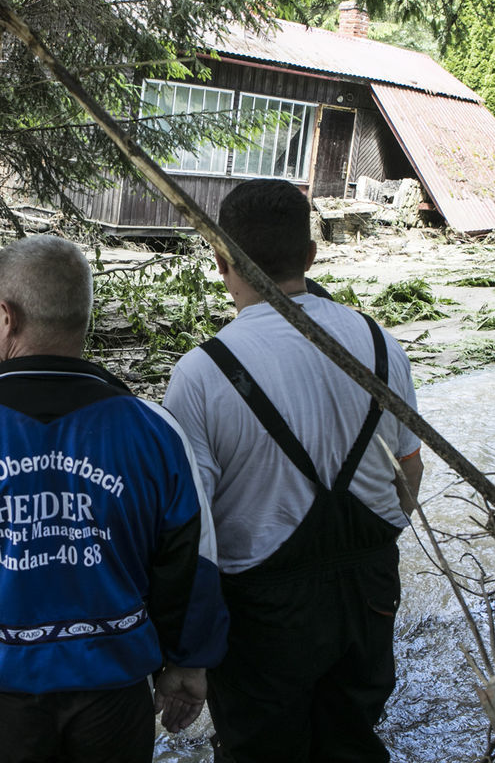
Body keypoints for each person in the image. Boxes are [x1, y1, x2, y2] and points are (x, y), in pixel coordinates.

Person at [0, 234, 229, 763]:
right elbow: (192, 562)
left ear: (7, 317)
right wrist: (189, 663)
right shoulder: (153, 430)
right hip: (115, 690)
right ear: (82, 318)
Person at [162, 180, 424, 763]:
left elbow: (190, 530)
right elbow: (409, 470)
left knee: (260, 752)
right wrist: (373, 544)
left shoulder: (201, 373)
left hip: (263, 611)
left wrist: (185, 652)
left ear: (220, 259)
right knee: (354, 741)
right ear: (311, 255)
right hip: (369, 590)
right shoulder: (381, 344)